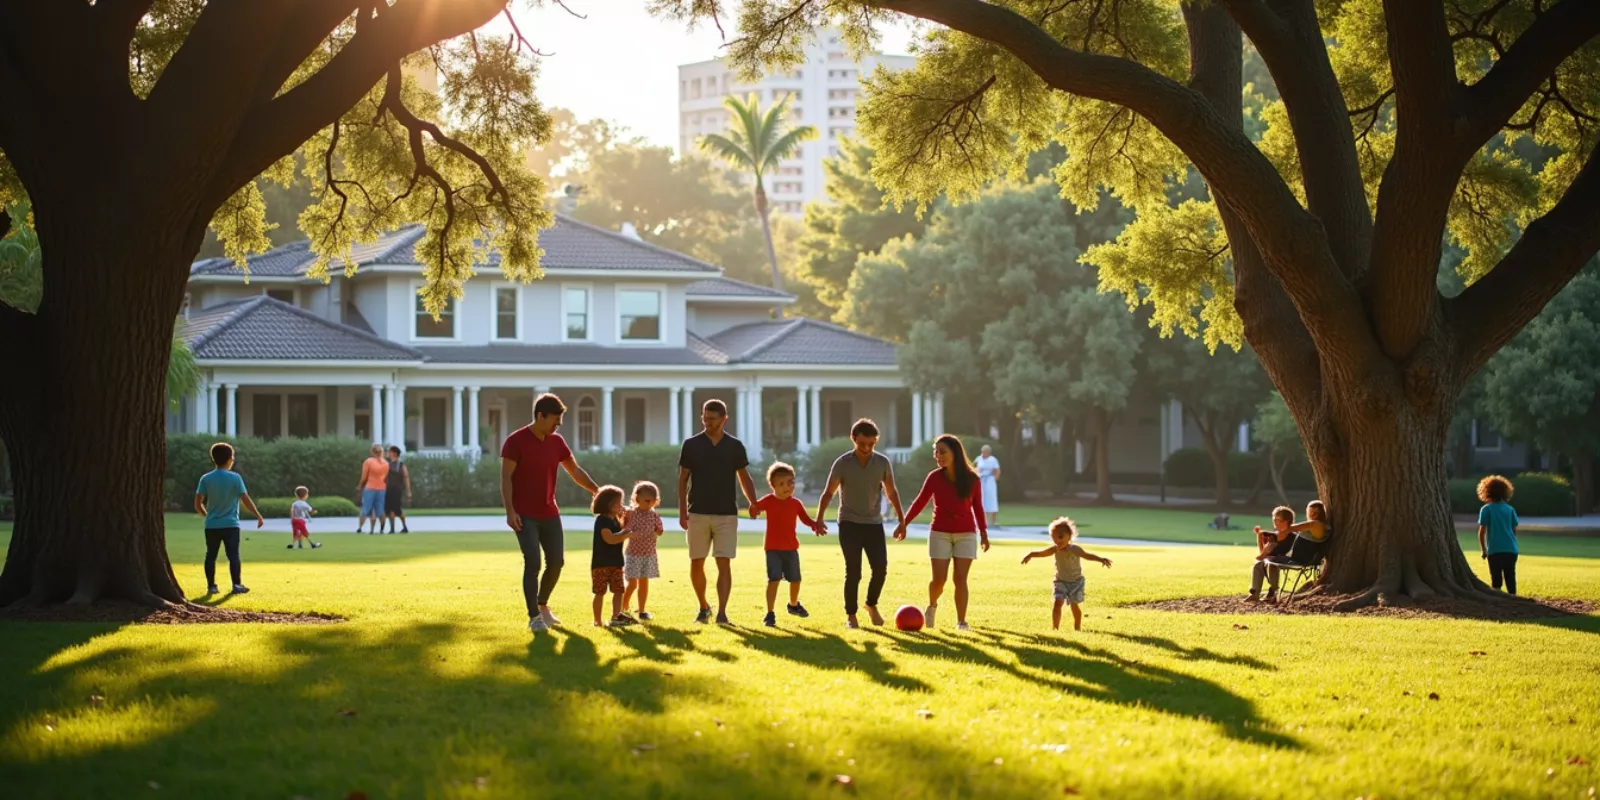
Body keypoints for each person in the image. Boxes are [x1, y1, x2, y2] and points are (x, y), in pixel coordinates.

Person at [501, 393, 601, 634]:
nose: (558, 425)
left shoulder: (556, 442)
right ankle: (534, 616)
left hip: (549, 512)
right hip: (524, 514)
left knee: (556, 562)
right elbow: (505, 477)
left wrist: (599, 492)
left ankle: (542, 604)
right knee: (533, 562)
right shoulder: (516, 441)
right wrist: (510, 511)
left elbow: (574, 471)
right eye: (555, 420)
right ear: (540, 415)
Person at [815, 419, 905, 629]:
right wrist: (819, 519)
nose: (866, 448)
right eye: (862, 444)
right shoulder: (843, 463)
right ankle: (851, 615)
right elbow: (828, 492)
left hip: (873, 523)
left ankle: (871, 604)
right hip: (849, 523)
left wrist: (902, 520)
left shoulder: (882, 462)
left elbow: (891, 492)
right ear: (853, 439)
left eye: (871, 444)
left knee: (880, 568)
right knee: (853, 571)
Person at [677, 398, 758, 625]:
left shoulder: (735, 446)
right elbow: (683, 479)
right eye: (704, 417)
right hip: (698, 513)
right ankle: (703, 606)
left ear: (724, 419)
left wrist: (753, 502)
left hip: (726, 514)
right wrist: (683, 511)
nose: (707, 422)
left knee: (724, 562)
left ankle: (722, 613)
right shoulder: (691, 444)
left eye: (712, 419)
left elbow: (745, 477)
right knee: (697, 562)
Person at [896, 434, 989, 630]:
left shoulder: (972, 479)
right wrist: (904, 523)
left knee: (960, 579)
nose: (938, 456)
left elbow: (978, 508)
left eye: (942, 452)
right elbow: (920, 501)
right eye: (936, 452)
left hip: (966, 534)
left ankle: (961, 621)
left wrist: (984, 534)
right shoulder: (935, 477)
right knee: (939, 580)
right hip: (940, 533)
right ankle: (932, 606)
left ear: (955, 453)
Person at [750, 461, 821, 627]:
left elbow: (805, 519)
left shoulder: (796, 503)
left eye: (790, 483)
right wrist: (754, 510)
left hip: (791, 548)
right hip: (773, 548)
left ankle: (793, 605)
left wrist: (815, 525)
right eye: (781, 484)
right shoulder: (769, 500)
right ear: (773, 486)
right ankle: (769, 613)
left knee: (795, 579)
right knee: (773, 579)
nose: (786, 487)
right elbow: (755, 508)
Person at [193, 441, 264, 595]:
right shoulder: (235, 478)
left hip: (212, 525)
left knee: (210, 555)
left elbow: (198, 504)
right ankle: (236, 585)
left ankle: (211, 586)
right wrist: (257, 515)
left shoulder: (205, 478)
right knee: (233, 555)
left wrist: (208, 516)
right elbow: (246, 499)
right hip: (231, 525)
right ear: (230, 459)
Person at [1022, 517, 1112, 631]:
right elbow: (1042, 553)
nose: (1057, 541)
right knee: (1057, 603)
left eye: (1060, 537)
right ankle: (1055, 629)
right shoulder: (1055, 549)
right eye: (1054, 538)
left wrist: (1100, 559)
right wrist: (1030, 555)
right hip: (1060, 582)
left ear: (1069, 535)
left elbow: (1087, 555)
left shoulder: (1075, 549)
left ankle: (1077, 628)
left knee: (1074, 605)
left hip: (1076, 583)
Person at [1247, 500, 1331, 604]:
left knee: (1265, 561)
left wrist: (1282, 527)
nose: (1312, 514)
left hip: (1301, 560)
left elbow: (1289, 528)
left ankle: (1269, 592)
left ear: (1321, 513)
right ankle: (1266, 593)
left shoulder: (1314, 524)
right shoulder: (1318, 526)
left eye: (1316, 512)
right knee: (1264, 562)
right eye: (1310, 511)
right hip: (1301, 558)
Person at [590, 485, 637, 627]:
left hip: (616, 562)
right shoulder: (602, 520)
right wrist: (626, 535)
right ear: (608, 504)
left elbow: (622, 530)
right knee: (600, 592)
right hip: (601, 564)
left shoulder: (615, 520)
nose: (621, 505)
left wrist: (626, 524)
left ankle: (616, 616)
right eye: (618, 502)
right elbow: (609, 539)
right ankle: (597, 620)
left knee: (618, 590)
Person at [621, 481, 665, 620]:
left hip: (649, 554)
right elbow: (625, 528)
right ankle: (624, 604)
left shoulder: (654, 515)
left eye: (652, 501)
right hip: (634, 553)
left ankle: (642, 610)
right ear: (637, 498)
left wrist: (658, 530)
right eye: (646, 500)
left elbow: (659, 530)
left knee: (644, 582)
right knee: (633, 583)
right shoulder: (632, 514)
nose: (649, 504)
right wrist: (629, 531)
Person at [1477, 475, 1520, 595]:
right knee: (1510, 577)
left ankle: (1498, 600)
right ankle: (1513, 598)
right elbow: (1514, 529)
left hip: (1494, 550)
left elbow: (1482, 532)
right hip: (1511, 549)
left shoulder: (1486, 509)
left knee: (1496, 580)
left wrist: (1484, 550)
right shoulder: (1510, 509)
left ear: (1487, 491)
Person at [355, 444, 388, 534]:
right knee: (380, 510)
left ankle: (360, 528)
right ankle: (382, 529)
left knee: (366, 508)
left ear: (372, 452)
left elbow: (364, 476)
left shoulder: (369, 462)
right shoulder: (385, 463)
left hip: (370, 487)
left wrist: (359, 485)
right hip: (382, 488)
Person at [384, 445, 412, 534]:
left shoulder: (401, 465)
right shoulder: (386, 464)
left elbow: (406, 477)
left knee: (397, 510)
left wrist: (408, 491)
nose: (388, 453)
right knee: (389, 510)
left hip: (397, 490)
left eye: (390, 452)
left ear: (394, 453)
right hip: (388, 489)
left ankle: (404, 526)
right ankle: (392, 528)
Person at [288, 485, 323, 550]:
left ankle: (298, 544)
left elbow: (291, 511)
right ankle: (312, 544)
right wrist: (314, 511)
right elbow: (310, 510)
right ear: (305, 495)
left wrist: (292, 519)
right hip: (300, 520)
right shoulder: (304, 504)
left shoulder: (294, 503)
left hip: (294, 520)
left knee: (297, 532)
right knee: (305, 532)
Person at [975, 445, 1001, 528]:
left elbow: (997, 470)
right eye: (982, 451)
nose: (983, 453)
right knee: (981, 499)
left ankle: (994, 521)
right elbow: (975, 468)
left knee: (992, 499)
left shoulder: (993, 460)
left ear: (988, 452)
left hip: (990, 480)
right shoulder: (979, 459)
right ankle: (982, 521)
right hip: (981, 480)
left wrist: (994, 479)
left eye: (985, 452)